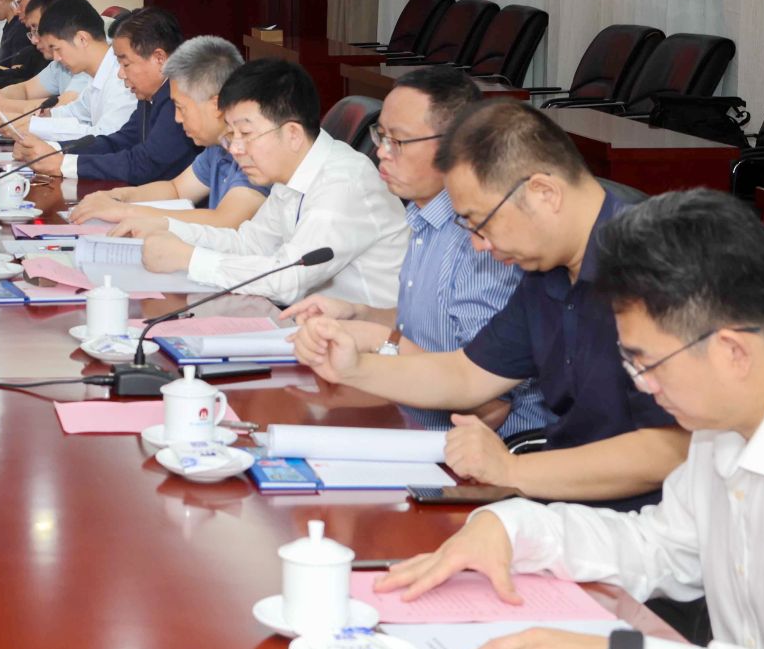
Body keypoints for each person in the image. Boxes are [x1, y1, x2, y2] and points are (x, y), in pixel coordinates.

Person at [375, 191, 764, 649]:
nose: (643, 386)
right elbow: (658, 546)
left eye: (648, 363)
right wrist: (513, 527)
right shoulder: (717, 434)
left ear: (733, 351)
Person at [292, 100, 684, 508]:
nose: (479, 245)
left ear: (544, 193)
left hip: (645, 518)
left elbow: (670, 449)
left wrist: (512, 471)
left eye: (481, 223)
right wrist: (354, 367)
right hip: (562, 500)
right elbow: (467, 374)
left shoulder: (659, 265)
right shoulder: (546, 270)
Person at [284, 67, 552, 435]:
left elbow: (488, 406)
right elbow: (431, 324)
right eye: (380, 135)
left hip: (473, 445)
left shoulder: (484, 241)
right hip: (408, 414)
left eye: (398, 140)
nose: (381, 152)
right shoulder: (423, 214)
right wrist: (360, 313)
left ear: (456, 146)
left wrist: (379, 343)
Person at [117, 57, 407, 307]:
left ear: (293, 134)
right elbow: (249, 244)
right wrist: (169, 228)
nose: (235, 149)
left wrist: (189, 259)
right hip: (314, 329)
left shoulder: (344, 183)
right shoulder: (291, 174)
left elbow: (288, 279)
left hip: (369, 343)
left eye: (246, 134)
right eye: (231, 134)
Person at [68, 34, 267, 231]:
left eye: (181, 108)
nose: (177, 119)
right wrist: (117, 196)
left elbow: (225, 220)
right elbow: (176, 189)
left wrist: (124, 211)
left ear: (216, 105)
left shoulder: (255, 152)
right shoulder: (217, 147)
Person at [19, 7, 199, 186]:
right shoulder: (150, 96)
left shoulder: (180, 100)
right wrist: (55, 151)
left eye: (125, 64)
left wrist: (64, 164)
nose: (120, 74)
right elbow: (119, 142)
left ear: (159, 58)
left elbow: (144, 163)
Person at [0, 0, 136, 147]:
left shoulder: (122, 76)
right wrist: (38, 118)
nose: (56, 58)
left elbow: (105, 136)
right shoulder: (97, 75)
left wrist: (32, 126)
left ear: (82, 39)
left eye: (57, 49)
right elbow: (74, 113)